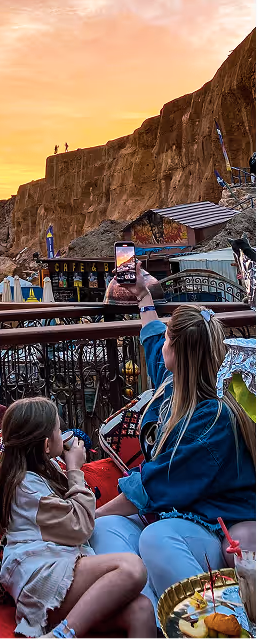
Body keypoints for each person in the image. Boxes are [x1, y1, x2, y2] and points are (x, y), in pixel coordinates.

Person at [91, 262, 256, 614]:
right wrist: (144, 298)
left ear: (179, 353)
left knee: (154, 538)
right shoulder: (174, 384)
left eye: (168, 335)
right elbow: (154, 346)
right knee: (105, 531)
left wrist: (84, 516)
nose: (161, 337)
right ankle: (152, 619)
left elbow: (154, 485)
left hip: (217, 525)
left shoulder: (214, 419)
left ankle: (221, 622)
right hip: (178, 515)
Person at [0, 398, 155, 639]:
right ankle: (63, 634)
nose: (64, 433)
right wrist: (74, 470)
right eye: (59, 429)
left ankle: (65, 630)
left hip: (61, 573)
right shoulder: (26, 487)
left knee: (142, 609)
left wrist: (66, 465)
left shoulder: (42, 472)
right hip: (41, 577)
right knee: (131, 567)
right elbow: (80, 527)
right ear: (47, 444)